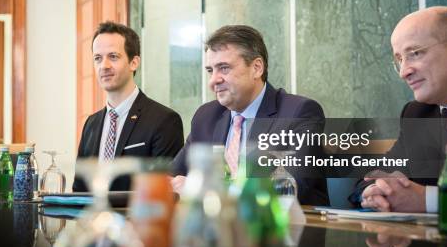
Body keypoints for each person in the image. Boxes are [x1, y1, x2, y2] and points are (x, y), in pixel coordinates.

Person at [352, 6, 447, 212]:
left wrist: (428, 201)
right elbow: (370, 176)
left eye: (415, 53)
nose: (404, 72)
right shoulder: (416, 113)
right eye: (399, 60)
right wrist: (375, 191)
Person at [170, 25, 329, 205]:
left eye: (224, 68)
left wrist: (203, 189)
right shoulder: (206, 116)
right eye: (210, 71)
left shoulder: (298, 112)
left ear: (256, 68)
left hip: (288, 229)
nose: (213, 80)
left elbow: (292, 187)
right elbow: (171, 176)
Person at [72, 22, 184, 191]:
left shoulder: (164, 120)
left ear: (134, 62)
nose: (104, 66)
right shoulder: (91, 124)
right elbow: (79, 190)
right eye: (98, 58)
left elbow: (161, 192)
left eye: (113, 56)